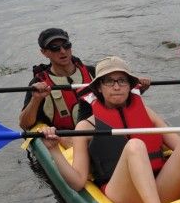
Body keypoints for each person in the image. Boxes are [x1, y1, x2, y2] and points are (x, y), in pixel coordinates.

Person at [42, 56, 180, 203]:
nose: (116, 86)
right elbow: (77, 183)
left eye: (122, 81)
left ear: (129, 86)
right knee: (135, 146)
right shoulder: (86, 126)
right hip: (124, 199)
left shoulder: (147, 113)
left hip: (159, 189)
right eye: (109, 81)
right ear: (99, 88)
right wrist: (53, 150)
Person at [20, 28, 150, 147]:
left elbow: (118, 96)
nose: (62, 51)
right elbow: (25, 124)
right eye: (55, 48)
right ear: (44, 52)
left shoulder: (94, 74)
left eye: (66, 45)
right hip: (65, 138)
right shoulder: (39, 83)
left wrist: (139, 88)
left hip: (100, 131)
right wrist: (36, 99)